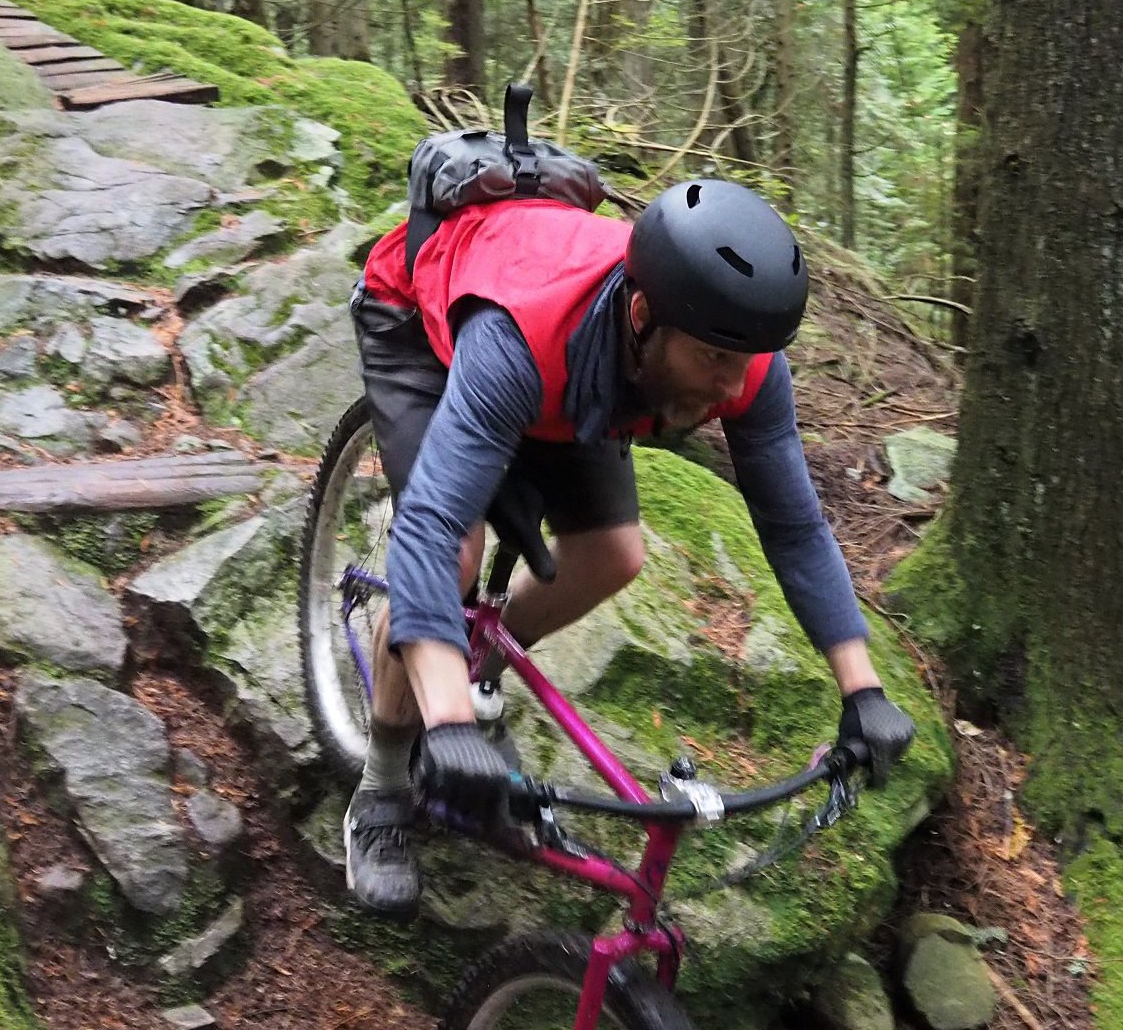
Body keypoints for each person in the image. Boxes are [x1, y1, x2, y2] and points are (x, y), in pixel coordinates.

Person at [343, 178, 917, 917]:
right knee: (451, 562)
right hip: (433, 319)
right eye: (714, 360)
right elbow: (429, 526)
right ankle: (384, 781)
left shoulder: (735, 348)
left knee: (613, 554)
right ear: (643, 315)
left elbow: (795, 524)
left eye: (746, 362)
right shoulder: (524, 339)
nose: (734, 387)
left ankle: (472, 670)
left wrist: (861, 689)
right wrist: (447, 729)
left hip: (584, 368)